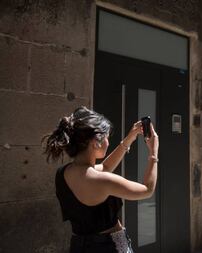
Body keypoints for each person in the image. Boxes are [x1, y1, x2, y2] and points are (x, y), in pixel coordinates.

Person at [42, 107, 159, 253]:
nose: (108, 142)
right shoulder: (103, 181)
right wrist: (153, 153)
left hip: (79, 246)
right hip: (109, 247)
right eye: (106, 137)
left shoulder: (63, 173)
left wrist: (129, 138)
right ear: (95, 143)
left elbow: (105, 166)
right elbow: (147, 190)